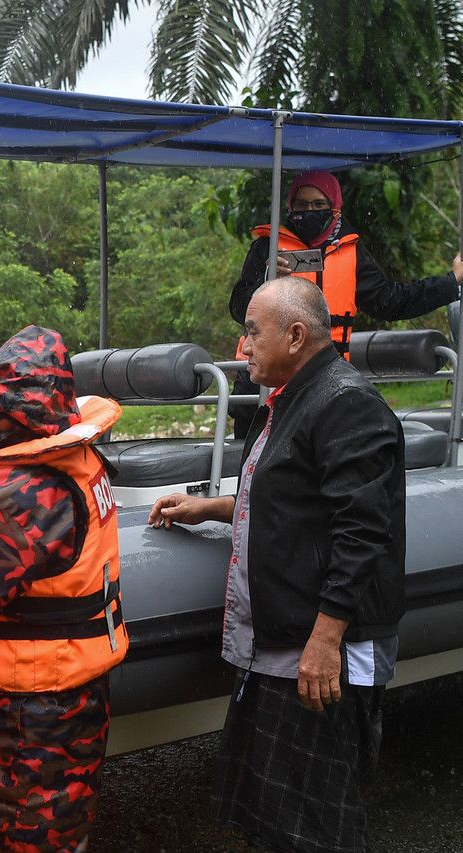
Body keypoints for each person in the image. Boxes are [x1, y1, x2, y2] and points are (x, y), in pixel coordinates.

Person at [150, 276, 406, 853]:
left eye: (251, 332)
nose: (242, 348)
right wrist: (211, 507)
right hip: (285, 637)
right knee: (277, 810)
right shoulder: (292, 398)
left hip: (316, 647)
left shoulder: (345, 405)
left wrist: (324, 641)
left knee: (317, 817)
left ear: (295, 335)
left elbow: (362, 531)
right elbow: (293, 497)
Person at [0, 325, 128, 853]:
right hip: (65, 698)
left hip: (21, 716)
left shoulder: (22, 491)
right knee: (61, 828)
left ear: (16, 407)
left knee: (11, 835)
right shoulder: (69, 460)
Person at [229, 169, 463, 435]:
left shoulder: (350, 251)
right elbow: (239, 308)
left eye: (319, 204)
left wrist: (452, 281)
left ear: (335, 208)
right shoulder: (266, 248)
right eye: (302, 205)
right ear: (290, 207)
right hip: (265, 379)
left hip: (325, 377)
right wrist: (266, 280)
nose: (309, 211)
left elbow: (390, 301)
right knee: (253, 458)